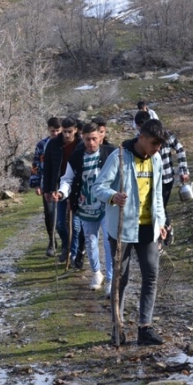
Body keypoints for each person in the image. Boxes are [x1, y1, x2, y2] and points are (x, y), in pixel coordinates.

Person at [94, 119, 168, 346]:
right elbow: (98, 187)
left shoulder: (156, 159)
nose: (158, 149)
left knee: (151, 277)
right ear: (142, 138)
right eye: (155, 143)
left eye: (160, 145)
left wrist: (162, 223)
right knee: (120, 280)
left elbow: (157, 196)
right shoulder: (118, 157)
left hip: (149, 228)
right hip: (122, 230)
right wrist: (112, 196)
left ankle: (145, 328)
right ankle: (118, 327)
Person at [58, 123, 115, 290]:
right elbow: (67, 179)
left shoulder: (109, 154)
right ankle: (97, 272)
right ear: (82, 138)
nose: (91, 143)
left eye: (94, 139)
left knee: (108, 241)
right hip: (85, 206)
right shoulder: (76, 157)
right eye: (88, 139)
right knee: (90, 241)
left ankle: (111, 278)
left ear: (100, 137)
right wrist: (62, 193)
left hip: (107, 205)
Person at [134, 111, 189, 246]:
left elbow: (180, 149)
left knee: (160, 206)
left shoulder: (165, 135)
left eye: (142, 125)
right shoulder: (140, 139)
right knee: (154, 205)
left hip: (166, 178)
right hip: (149, 179)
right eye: (139, 126)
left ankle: (164, 232)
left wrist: (183, 170)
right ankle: (162, 233)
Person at [41, 117, 82, 264]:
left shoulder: (81, 145)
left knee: (76, 225)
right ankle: (66, 245)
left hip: (77, 188)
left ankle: (76, 254)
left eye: (69, 132)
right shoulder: (53, 143)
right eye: (64, 132)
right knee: (59, 224)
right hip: (58, 187)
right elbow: (47, 167)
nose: (66, 135)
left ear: (75, 130)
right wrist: (47, 189)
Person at [31, 117, 63, 256]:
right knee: (49, 214)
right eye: (52, 131)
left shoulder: (65, 143)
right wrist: (37, 183)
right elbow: (36, 164)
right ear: (48, 130)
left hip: (63, 184)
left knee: (64, 216)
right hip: (46, 183)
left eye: (57, 130)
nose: (55, 133)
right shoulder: (41, 145)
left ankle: (66, 243)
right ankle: (51, 240)